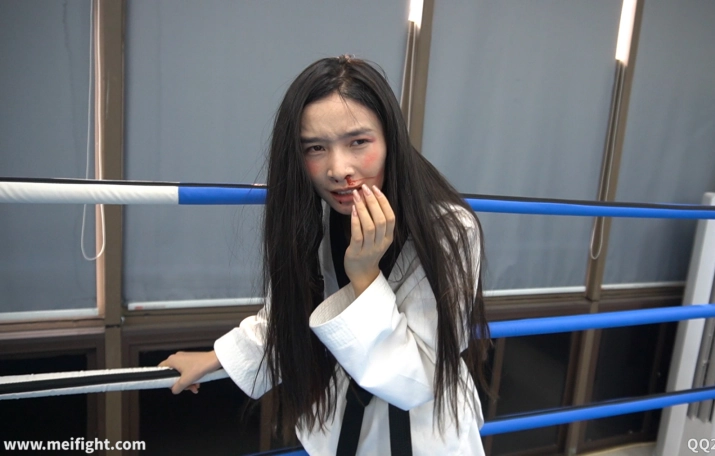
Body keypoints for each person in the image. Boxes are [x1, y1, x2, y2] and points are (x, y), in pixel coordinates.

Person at [159, 55, 490, 456]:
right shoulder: (316, 213)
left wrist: (365, 276)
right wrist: (221, 357)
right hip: (338, 419)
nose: (338, 169)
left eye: (358, 142)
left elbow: (417, 379)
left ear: (391, 139)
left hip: (426, 432)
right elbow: (293, 310)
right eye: (316, 147)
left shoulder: (448, 229)